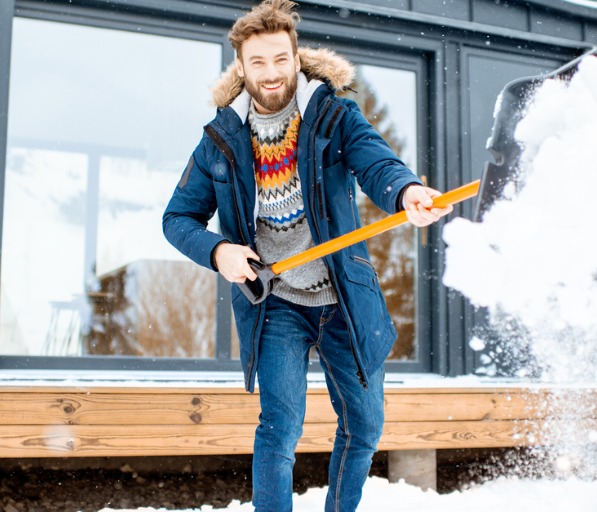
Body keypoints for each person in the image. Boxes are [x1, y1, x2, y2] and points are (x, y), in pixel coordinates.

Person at [162, 1, 452, 510]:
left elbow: (375, 161)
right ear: (242, 67)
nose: (271, 73)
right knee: (279, 428)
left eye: (280, 59)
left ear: (296, 59)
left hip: (343, 295)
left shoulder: (333, 115)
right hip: (276, 303)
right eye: (258, 62)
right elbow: (177, 220)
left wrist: (405, 192)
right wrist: (219, 251)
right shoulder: (220, 140)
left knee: (364, 426)